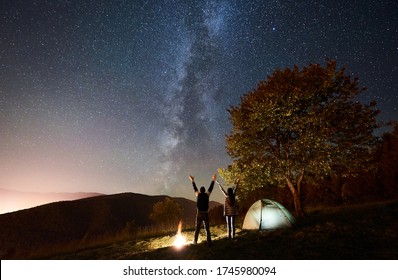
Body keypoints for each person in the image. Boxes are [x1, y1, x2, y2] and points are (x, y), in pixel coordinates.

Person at [189, 173, 216, 246]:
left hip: (199, 213)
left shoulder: (198, 195)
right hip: (205, 213)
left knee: (197, 228)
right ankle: (209, 241)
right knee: (207, 228)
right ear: (204, 190)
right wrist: (213, 180)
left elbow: (195, 188)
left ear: (200, 191)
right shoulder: (207, 195)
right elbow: (211, 188)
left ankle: (195, 241)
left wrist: (192, 181)